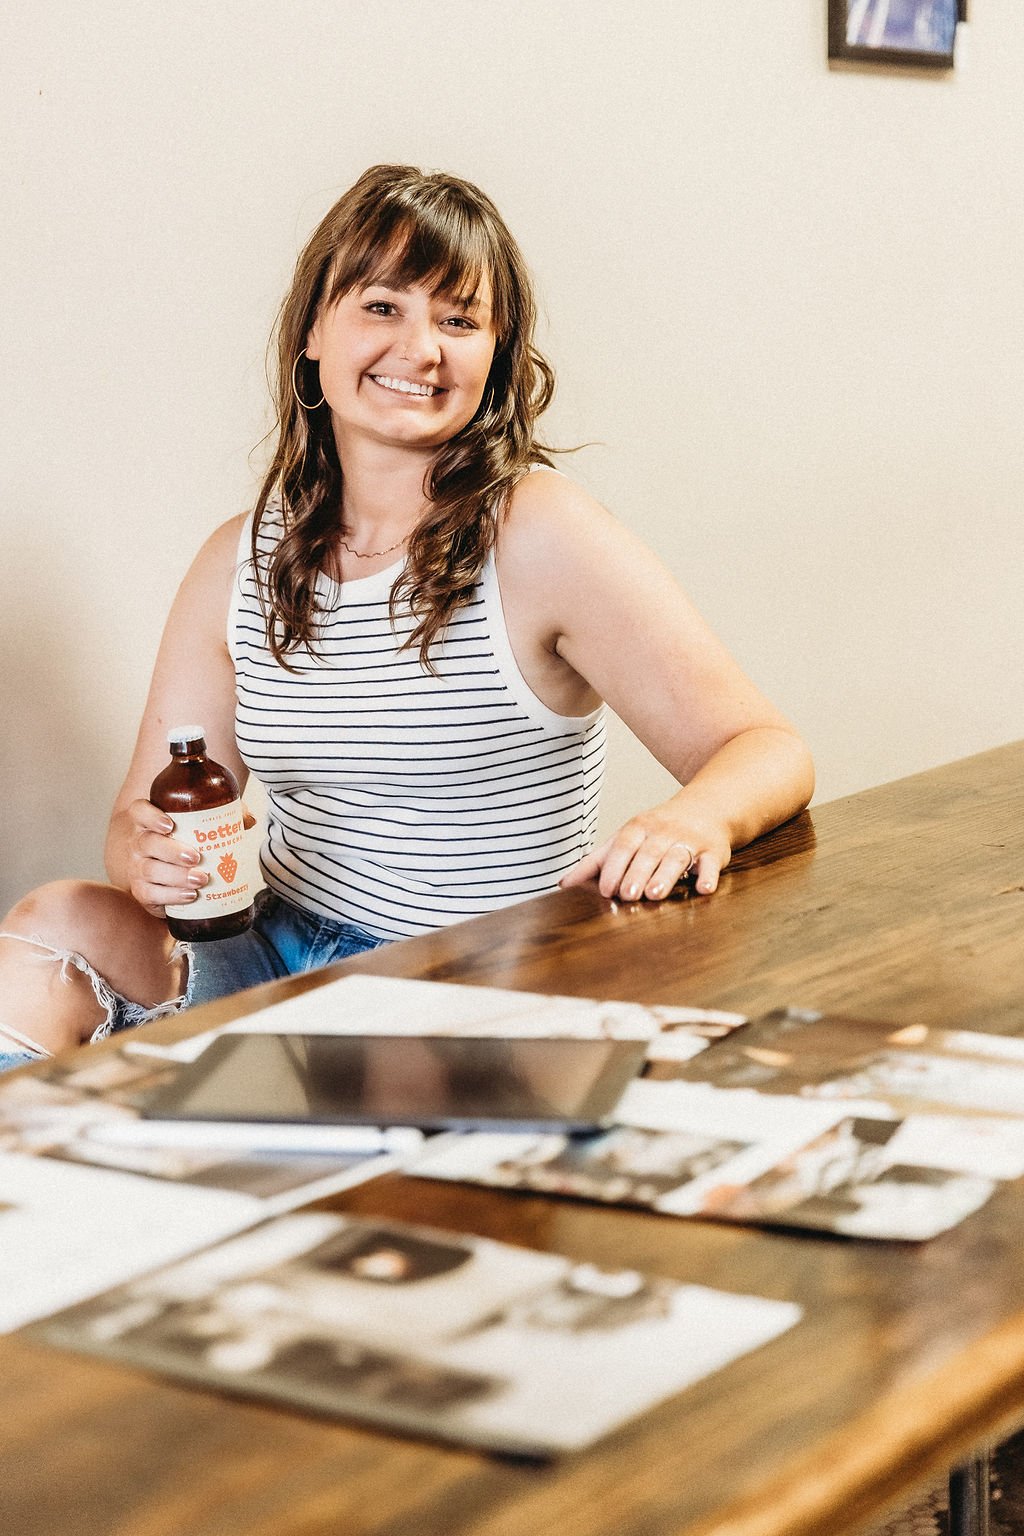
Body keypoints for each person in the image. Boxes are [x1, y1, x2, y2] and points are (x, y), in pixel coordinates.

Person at [0, 163, 814, 1071]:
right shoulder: (238, 557)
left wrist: (695, 817)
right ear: (315, 330)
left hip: (471, 984)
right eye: (383, 306)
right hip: (277, 956)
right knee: (53, 922)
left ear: (496, 357)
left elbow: (767, 747)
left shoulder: (540, 532)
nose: (421, 346)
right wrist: (143, 858)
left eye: (459, 319)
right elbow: (139, 815)